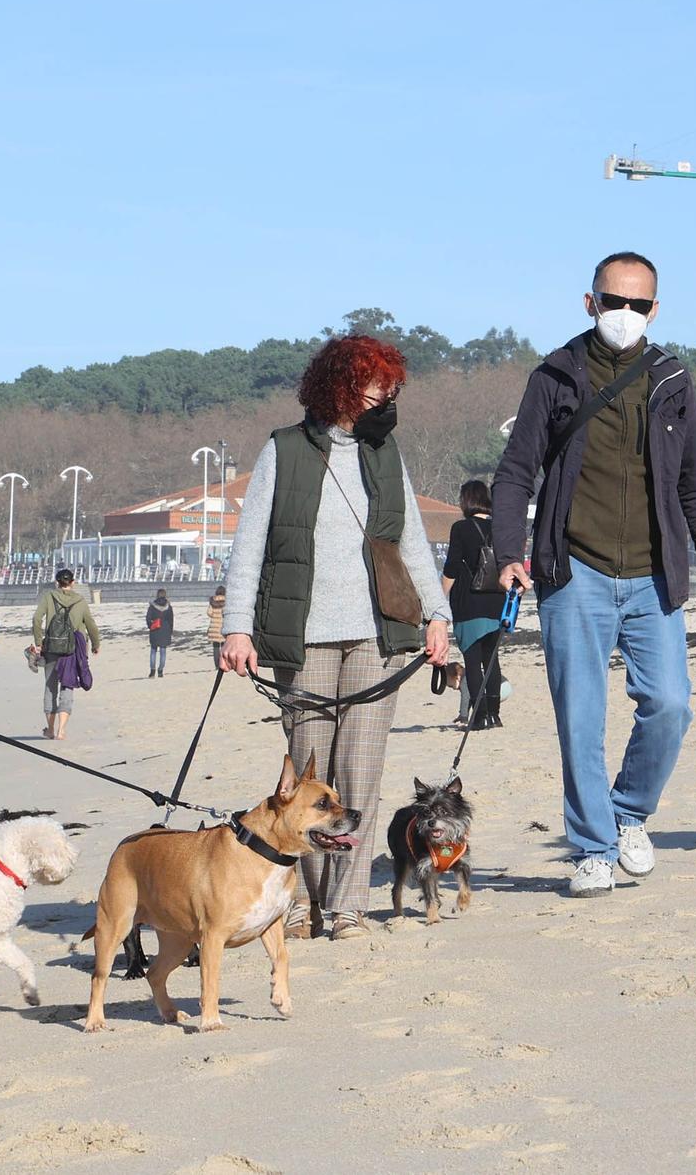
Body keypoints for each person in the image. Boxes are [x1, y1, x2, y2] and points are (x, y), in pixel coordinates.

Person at [491, 251, 696, 897]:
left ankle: (629, 812)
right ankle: (593, 847)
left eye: (637, 304)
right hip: (575, 573)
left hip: (656, 576)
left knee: (671, 705)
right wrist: (510, 551)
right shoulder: (556, 375)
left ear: (655, 310)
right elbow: (516, 471)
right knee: (581, 718)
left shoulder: (673, 377)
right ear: (590, 301)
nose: (624, 313)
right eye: (612, 300)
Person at [220, 335, 452, 942]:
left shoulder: (385, 452)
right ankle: (299, 902)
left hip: (379, 635)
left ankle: (347, 904)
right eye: (378, 383)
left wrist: (438, 614)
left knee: (362, 772)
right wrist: (236, 628)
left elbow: (409, 543)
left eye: (393, 384)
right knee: (305, 786)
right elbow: (251, 547)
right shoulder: (284, 450)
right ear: (343, 384)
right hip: (304, 638)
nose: (388, 394)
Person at [440, 479, 506, 729]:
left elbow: (452, 567)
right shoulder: (501, 528)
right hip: (497, 603)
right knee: (492, 660)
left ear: (466, 500)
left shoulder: (461, 528)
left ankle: (478, 717)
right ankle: (495, 715)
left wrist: (438, 601)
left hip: (470, 603)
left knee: (473, 661)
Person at [32, 568, 100, 739]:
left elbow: (36, 618)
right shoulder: (80, 601)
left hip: (52, 648)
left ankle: (50, 730)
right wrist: (95, 644)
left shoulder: (49, 597)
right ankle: (62, 729)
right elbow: (91, 624)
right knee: (67, 685)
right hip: (72, 650)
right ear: (72, 582)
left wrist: (39, 642)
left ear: (57, 582)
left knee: (50, 687)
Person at [145, 588, 174, 677]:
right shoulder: (168, 606)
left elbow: (148, 618)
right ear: (165, 595)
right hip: (165, 629)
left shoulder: (152, 606)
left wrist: (151, 626)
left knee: (153, 651)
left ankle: (152, 671)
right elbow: (171, 620)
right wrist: (170, 631)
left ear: (157, 595)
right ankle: (160, 671)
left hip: (155, 629)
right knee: (163, 651)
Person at [205, 586, 226, 670]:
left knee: (216, 648)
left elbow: (209, 613)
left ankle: (217, 665)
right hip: (223, 627)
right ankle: (224, 663)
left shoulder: (213, 601)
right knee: (224, 647)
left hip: (214, 627)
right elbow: (226, 612)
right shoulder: (226, 601)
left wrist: (214, 615)